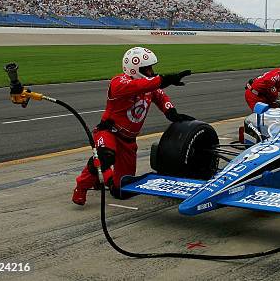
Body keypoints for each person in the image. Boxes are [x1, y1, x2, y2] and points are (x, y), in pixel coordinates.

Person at [72, 47, 192, 206]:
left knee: (122, 192)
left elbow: (161, 96)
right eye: (146, 68)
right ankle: (81, 186)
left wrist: (171, 112)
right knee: (105, 156)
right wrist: (164, 80)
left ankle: (104, 177)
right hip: (109, 132)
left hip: (129, 141)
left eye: (151, 68)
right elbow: (139, 86)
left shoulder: (150, 85)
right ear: (135, 68)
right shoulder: (118, 83)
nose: (151, 71)